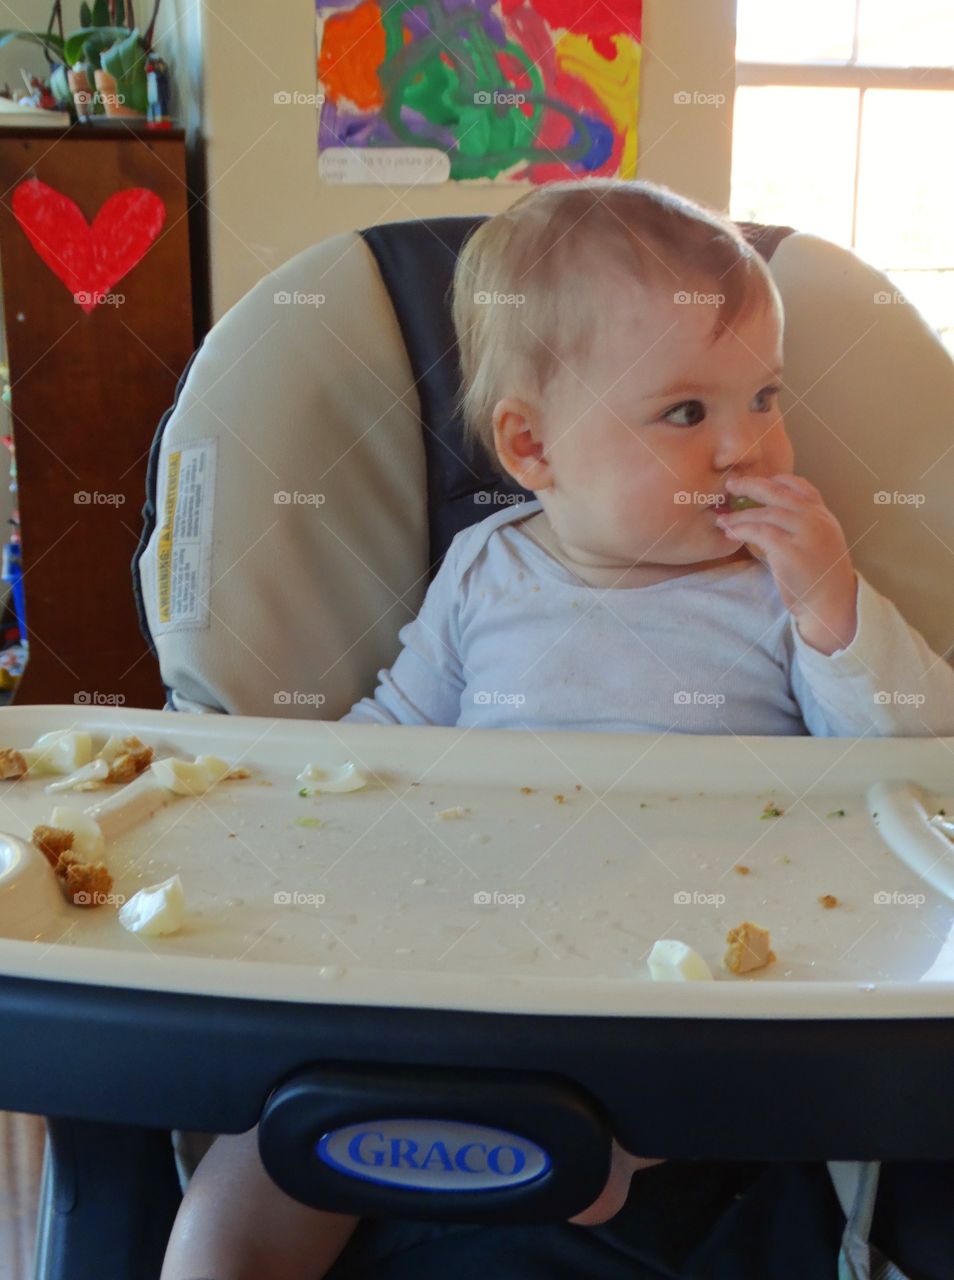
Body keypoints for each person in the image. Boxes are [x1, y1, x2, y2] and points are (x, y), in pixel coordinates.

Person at [160, 179, 954, 1280]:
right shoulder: (485, 568)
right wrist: (265, 808)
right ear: (532, 448)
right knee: (251, 1172)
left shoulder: (781, 591)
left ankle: (587, 1141)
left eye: (765, 396)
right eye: (688, 412)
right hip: (460, 941)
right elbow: (390, 736)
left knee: (702, 1082)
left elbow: (910, 763)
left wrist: (835, 609)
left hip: (688, 965)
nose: (749, 448)